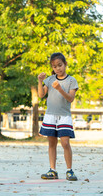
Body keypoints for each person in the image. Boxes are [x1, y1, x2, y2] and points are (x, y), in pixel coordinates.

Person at [37, 52, 79, 181]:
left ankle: (69, 170)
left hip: (64, 116)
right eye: (54, 66)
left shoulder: (72, 80)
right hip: (50, 115)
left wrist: (60, 89)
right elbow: (41, 94)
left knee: (65, 143)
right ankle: (52, 170)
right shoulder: (50, 79)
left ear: (65, 64)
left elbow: (70, 99)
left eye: (60, 65)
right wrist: (40, 81)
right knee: (51, 143)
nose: (58, 68)